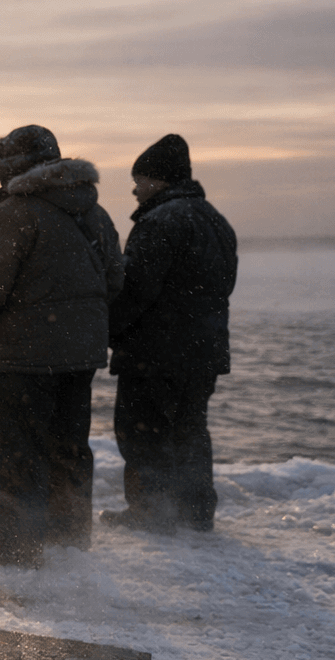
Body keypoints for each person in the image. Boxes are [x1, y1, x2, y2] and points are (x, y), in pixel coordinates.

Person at [0, 125, 125, 566]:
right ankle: (69, 538)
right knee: (69, 446)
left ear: (14, 170)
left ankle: (16, 548)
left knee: (17, 450)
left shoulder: (13, 215)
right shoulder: (96, 213)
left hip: (24, 356)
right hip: (80, 355)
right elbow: (115, 281)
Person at [103, 134, 237, 533]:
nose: (134, 188)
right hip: (204, 350)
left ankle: (151, 513)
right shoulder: (216, 220)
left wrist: (108, 331)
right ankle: (196, 512)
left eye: (139, 179)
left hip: (155, 351)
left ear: (159, 180)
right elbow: (224, 285)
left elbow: (135, 290)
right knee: (190, 429)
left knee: (142, 430)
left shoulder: (159, 222)